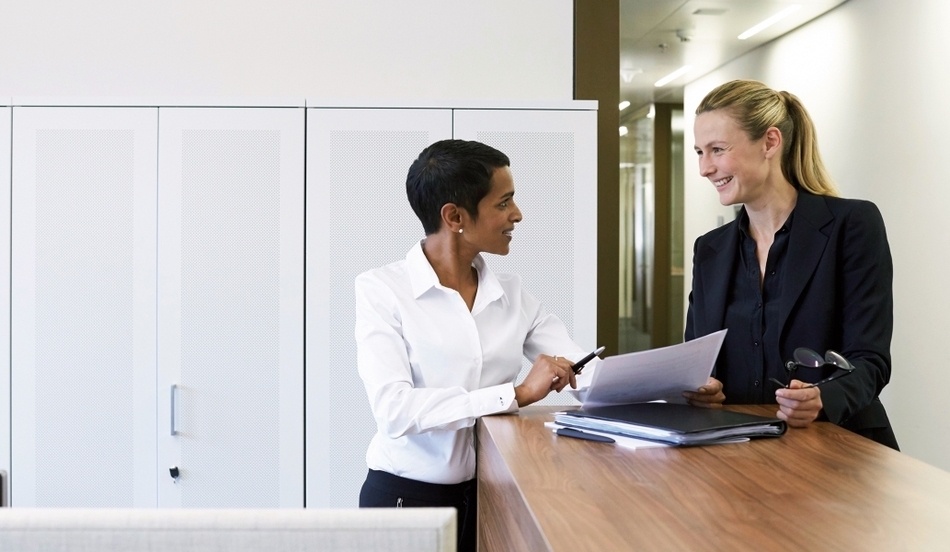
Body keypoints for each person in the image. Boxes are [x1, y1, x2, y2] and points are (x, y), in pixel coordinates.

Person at [355, 139, 596, 551]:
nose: (516, 215)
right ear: (454, 216)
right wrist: (515, 394)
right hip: (406, 501)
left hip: (489, 498)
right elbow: (395, 410)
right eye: (504, 203)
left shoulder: (512, 296)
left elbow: (584, 369)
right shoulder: (382, 290)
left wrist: (667, 387)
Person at [682, 79, 899, 450]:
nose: (705, 168)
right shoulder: (710, 250)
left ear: (770, 142)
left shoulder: (852, 225)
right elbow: (697, 361)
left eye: (717, 150)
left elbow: (870, 359)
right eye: (700, 152)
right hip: (739, 453)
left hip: (839, 450)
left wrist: (823, 398)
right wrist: (701, 389)